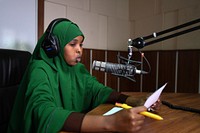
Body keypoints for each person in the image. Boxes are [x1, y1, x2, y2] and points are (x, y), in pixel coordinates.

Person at [7, 18, 161, 133]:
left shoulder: (77, 69)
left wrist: (132, 100)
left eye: (81, 44)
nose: (79, 50)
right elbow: (43, 112)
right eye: (73, 44)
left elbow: (98, 91)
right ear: (53, 47)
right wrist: (111, 123)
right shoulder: (39, 69)